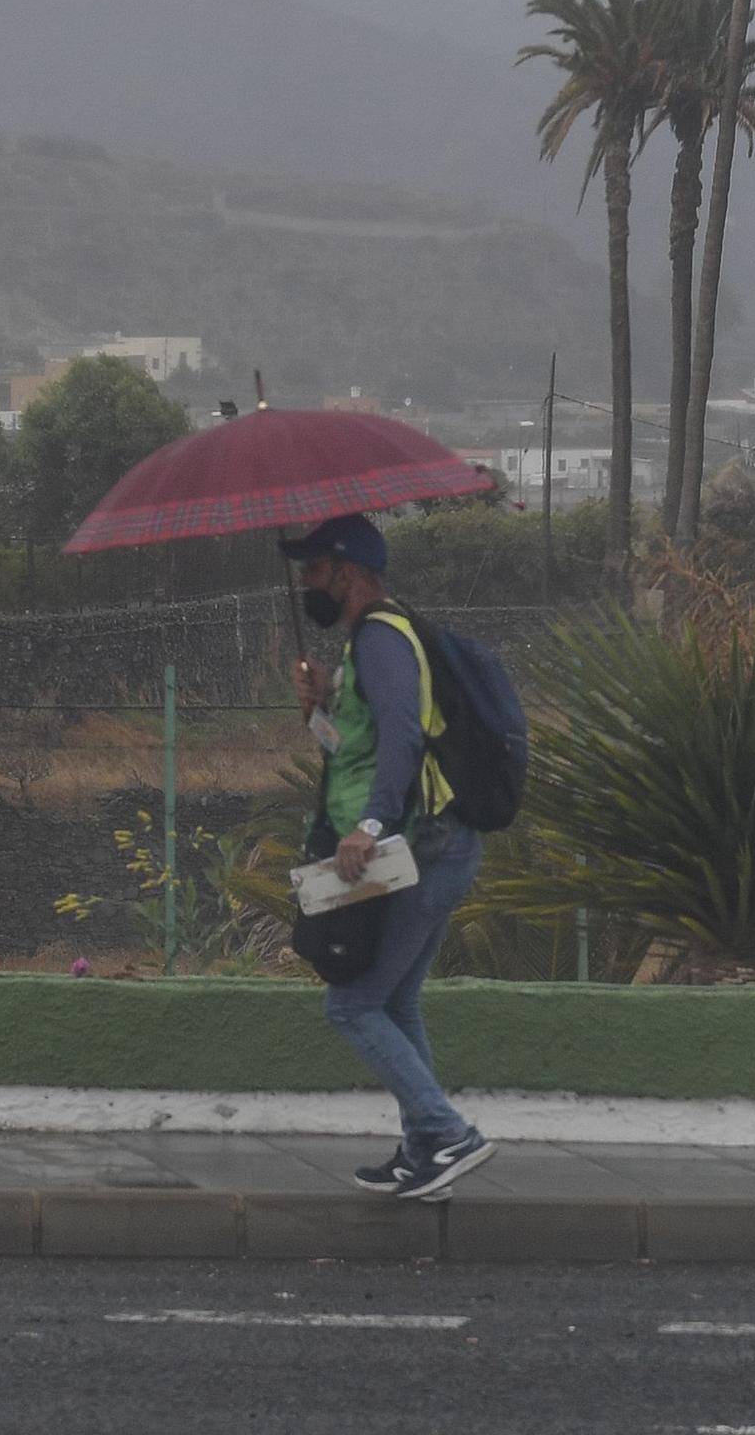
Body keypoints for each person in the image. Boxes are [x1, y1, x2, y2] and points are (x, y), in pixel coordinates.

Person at [282, 513, 495, 1201]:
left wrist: (367, 826)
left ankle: (450, 1132)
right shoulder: (363, 646)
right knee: (396, 1003)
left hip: (421, 846)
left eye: (314, 569)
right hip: (428, 844)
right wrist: (317, 712)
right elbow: (356, 751)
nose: (306, 582)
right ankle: (422, 1154)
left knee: (350, 1006)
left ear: (348, 572)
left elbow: (403, 740)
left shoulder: (381, 640)